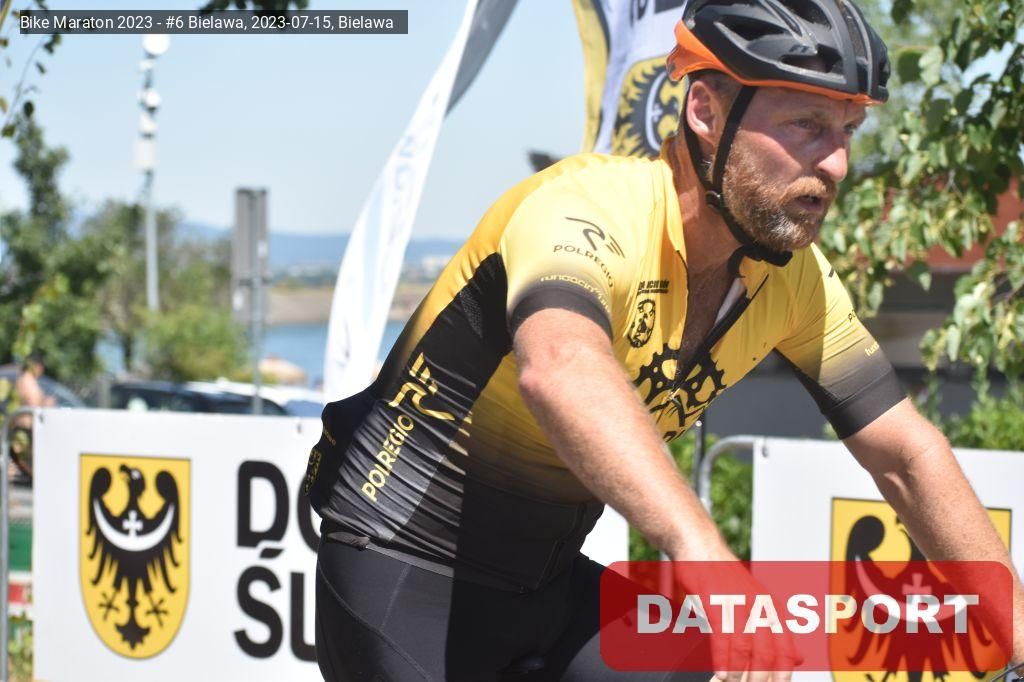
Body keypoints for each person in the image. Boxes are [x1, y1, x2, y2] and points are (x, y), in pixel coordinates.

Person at [305, 1, 1024, 679]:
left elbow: (906, 455)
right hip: (402, 568)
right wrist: (701, 550)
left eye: (847, 132)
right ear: (705, 111)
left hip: (545, 588)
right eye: (807, 124)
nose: (836, 163)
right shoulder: (586, 208)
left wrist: (1018, 640)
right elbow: (560, 368)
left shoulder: (793, 279)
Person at [11, 353, 55, 479]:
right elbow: (32, 402)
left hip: (24, 427)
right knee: (21, 462)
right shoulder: (28, 380)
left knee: (20, 462)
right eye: (41, 368)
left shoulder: (24, 379)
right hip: (25, 427)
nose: (42, 371)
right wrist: (46, 402)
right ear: (36, 366)